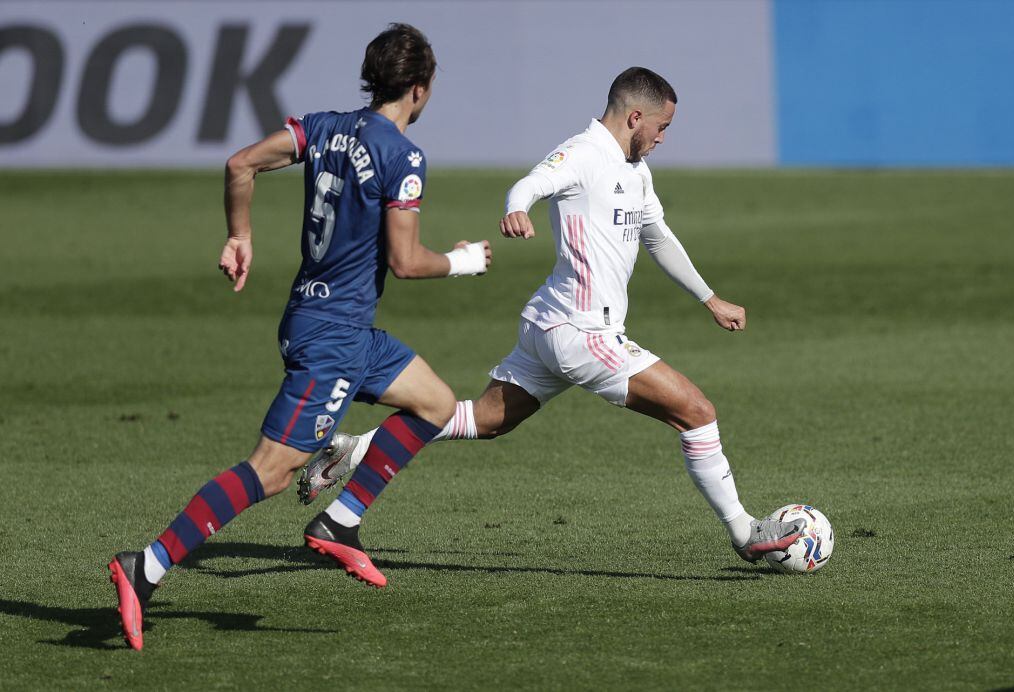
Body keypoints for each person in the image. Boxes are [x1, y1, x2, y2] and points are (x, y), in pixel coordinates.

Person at [299, 66, 803, 569]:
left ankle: (355, 449)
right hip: (582, 332)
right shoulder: (584, 153)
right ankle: (744, 531)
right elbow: (531, 184)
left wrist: (709, 298)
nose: (663, 138)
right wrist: (517, 209)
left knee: (485, 419)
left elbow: (658, 238)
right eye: (662, 127)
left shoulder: (636, 171)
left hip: (550, 325)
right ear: (634, 117)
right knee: (697, 411)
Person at [107, 23, 491, 651]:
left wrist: (240, 235)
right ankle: (144, 567)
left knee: (437, 404)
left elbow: (241, 163)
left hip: (327, 321)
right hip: (333, 338)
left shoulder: (324, 126)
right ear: (419, 90)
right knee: (274, 471)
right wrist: (465, 260)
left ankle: (340, 523)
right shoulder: (403, 156)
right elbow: (405, 261)